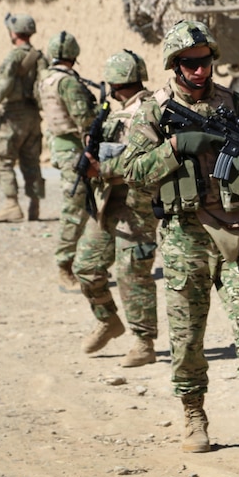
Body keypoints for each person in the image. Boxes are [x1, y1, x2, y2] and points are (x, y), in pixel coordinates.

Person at [117, 20, 239, 453]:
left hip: (235, 228)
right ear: (174, 65)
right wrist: (177, 148)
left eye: (205, 62)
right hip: (184, 236)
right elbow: (132, 171)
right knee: (186, 338)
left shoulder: (233, 104)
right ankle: (193, 416)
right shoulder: (156, 111)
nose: (200, 71)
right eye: (191, 64)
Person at [72, 50, 159, 365]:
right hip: (107, 201)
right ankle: (108, 320)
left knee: (132, 272)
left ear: (116, 82)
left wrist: (102, 169)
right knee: (85, 266)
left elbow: (143, 161)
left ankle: (143, 342)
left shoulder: (149, 110)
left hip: (138, 203)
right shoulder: (110, 111)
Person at [38, 30, 97, 292]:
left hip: (60, 146)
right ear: (74, 55)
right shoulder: (68, 83)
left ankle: (87, 262)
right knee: (75, 207)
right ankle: (64, 265)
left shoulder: (46, 79)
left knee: (86, 205)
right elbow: (83, 119)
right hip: (73, 149)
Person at [0, 13, 47, 223]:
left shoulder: (14, 56)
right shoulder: (40, 57)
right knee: (31, 161)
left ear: (14, 33)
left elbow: (5, 84)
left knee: (2, 159)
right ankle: (35, 206)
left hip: (14, 116)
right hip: (34, 116)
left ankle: (11, 205)